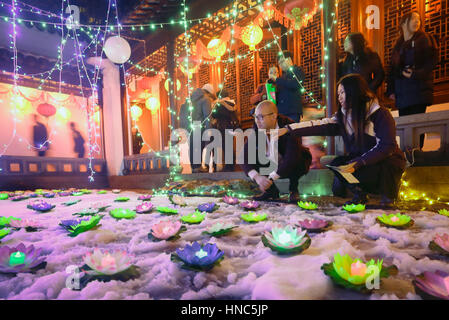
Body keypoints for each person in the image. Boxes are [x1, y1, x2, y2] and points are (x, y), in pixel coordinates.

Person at [278, 74, 406, 208]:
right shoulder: (343, 118)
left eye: (342, 92)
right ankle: (360, 194)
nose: (339, 97)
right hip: (362, 162)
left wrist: (359, 162)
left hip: (385, 162)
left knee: (388, 163)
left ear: (354, 91)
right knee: (337, 164)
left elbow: (387, 146)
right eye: (338, 93)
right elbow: (317, 125)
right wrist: (288, 129)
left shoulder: (380, 114)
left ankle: (388, 196)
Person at [240, 100, 312, 203]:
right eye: (255, 117)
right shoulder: (257, 127)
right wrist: (257, 177)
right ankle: (271, 191)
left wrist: (271, 178)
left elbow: (291, 157)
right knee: (253, 157)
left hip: (289, 162)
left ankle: (293, 190)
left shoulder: (289, 126)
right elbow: (244, 155)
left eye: (260, 117)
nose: (257, 121)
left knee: (299, 157)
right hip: (271, 161)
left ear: (273, 116)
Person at [386, 11, 438, 148]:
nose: (417, 22)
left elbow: (431, 63)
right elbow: (392, 70)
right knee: (405, 126)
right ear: (403, 22)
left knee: (418, 125)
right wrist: (391, 90)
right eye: (413, 19)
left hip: (418, 90)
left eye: (419, 19)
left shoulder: (424, 39)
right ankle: (407, 157)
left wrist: (415, 74)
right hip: (402, 93)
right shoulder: (398, 45)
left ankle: (417, 157)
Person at [179, 86, 213, 173]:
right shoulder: (206, 99)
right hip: (199, 126)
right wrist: (208, 131)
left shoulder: (190, 99)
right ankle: (198, 167)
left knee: (192, 147)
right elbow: (207, 117)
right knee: (199, 146)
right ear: (209, 92)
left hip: (189, 127)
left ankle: (194, 168)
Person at [210, 89, 240, 172]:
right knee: (229, 146)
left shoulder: (220, 104)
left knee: (222, 147)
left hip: (222, 128)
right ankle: (230, 166)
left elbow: (214, 114)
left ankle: (225, 166)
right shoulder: (232, 103)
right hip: (231, 127)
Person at [275, 50, 305, 122]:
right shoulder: (282, 77)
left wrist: (277, 79)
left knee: (292, 132)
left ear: (289, 59)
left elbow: (296, 84)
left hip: (292, 111)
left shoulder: (297, 70)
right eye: (279, 63)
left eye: (282, 61)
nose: (280, 65)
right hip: (281, 113)